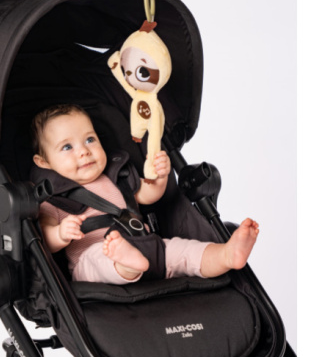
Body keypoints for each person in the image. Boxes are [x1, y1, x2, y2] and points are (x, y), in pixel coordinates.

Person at [31, 104, 259, 285]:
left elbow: (148, 195)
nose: (83, 151)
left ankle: (226, 255)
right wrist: (60, 233)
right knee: (99, 260)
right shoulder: (53, 199)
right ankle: (126, 263)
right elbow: (44, 239)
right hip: (91, 261)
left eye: (90, 139)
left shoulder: (117, 176)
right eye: (67, 147)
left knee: (182, 250)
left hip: (146, 245)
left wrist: (160, 178)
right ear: (44, 162)